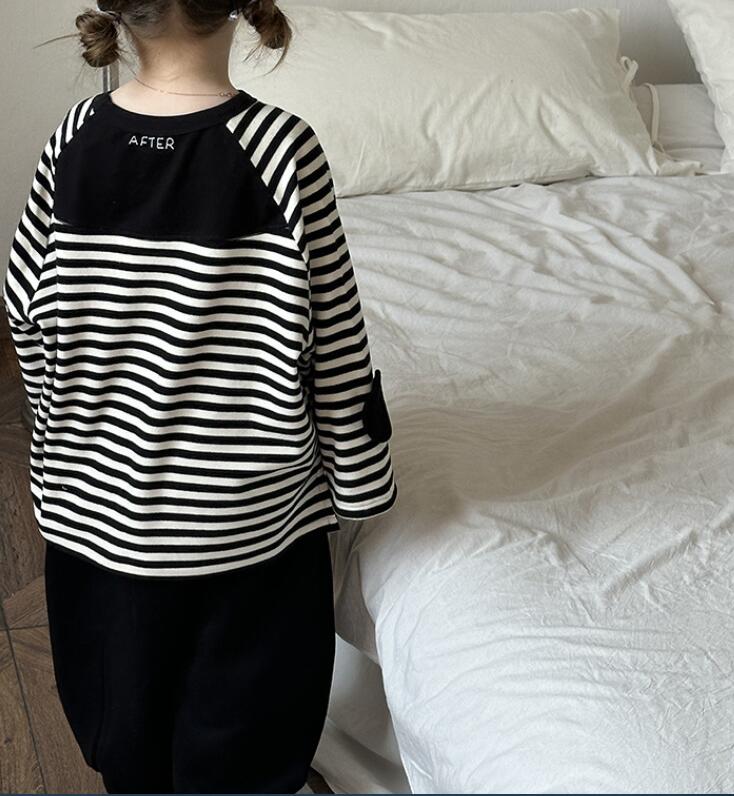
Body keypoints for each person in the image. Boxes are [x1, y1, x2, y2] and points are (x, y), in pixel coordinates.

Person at [2, 1, 398, 792]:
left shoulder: (72, 139)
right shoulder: (282, 147)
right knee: (249, 727)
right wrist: (360, 487)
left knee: (121, 713)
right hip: (247, 524)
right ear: (243, 9)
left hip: (99, 515)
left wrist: (62, 448)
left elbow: (24, 310)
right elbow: (335, 343)